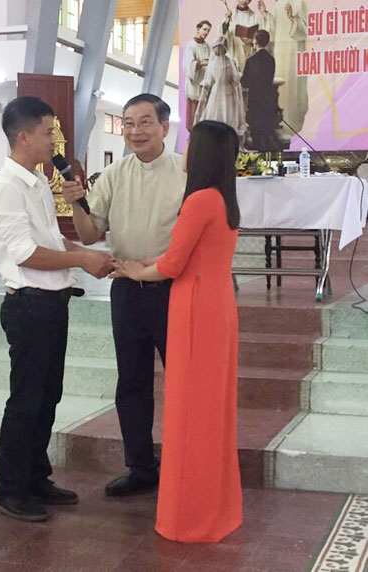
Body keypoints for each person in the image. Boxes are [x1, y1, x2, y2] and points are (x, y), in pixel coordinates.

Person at [0, 96, 114, 522]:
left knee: (46, 396)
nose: (54, 141)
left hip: (52, 304)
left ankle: (35, 477)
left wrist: (91, 255)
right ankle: (10, 488)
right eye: (47, 133)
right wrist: (83, 260)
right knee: (26, 400)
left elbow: (53, 242)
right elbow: (25, 253)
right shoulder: (7, 187)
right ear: (23, 137)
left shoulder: (38, 181)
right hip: (29, 306)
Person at [116, 120, 243, 543]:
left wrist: (136, 271)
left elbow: (172, 264)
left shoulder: (200, 200)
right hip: (219, 304)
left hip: (195, 306)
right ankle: (216, 505)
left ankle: (189, 516)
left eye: (190, 144)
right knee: (211, 407)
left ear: (201, 153)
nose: (183, 151)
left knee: (190, 410)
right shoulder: (224, 198)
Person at [61, 93, 186, 497]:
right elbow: (89, 234)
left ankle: (184, 464)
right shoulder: (114, 174)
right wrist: (76, 203)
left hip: (173, 288)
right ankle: (140, 465)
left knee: (182, 380)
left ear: (164, 127)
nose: (135, 131)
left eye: (145, 122)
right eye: (129, 123)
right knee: (131, 380)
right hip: (127, 290)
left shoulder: (185, 172)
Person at [258, 0, 308, 133]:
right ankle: (281, 120)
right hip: (280, 50)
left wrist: (293, 18)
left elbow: (305, 28)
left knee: (293, 83)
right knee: (280, 83)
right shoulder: (279, 4)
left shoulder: (299, 1)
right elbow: (272, 28)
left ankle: (294, 120)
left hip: (294, 48)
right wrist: (265, 14)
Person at [197, 37, 246, 138]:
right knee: (227, 114)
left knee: (215, 114)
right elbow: (235, 80)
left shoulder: (213, 64)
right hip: (228, 93)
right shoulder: (230, 63)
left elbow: (208, 82)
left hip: (216, 93)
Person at [241, 29, 281, 151]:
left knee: (256, 133)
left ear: (255, 41)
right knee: (266, 132)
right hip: (268, 101)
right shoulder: (271, 59)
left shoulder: (251, 60)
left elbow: (244, 82)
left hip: (255, 101)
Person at [182, 20, 211, 131]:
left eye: (208, 31)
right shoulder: (191, 45)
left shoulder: (207, 46)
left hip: (204, 83)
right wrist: (200, 63)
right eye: (204, 29)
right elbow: (187, 65)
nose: (206, 32)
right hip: (194, 84)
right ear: (198, 29)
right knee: (193, 114)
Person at [221, 0, 258, 72]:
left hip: (248, 52)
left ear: (250, 0)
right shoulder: (230, 14)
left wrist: (252, 40)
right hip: (233, 51)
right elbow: (222, 32)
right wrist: (226, 21)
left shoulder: (254, 17)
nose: (245, 0)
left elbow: (258, 36)